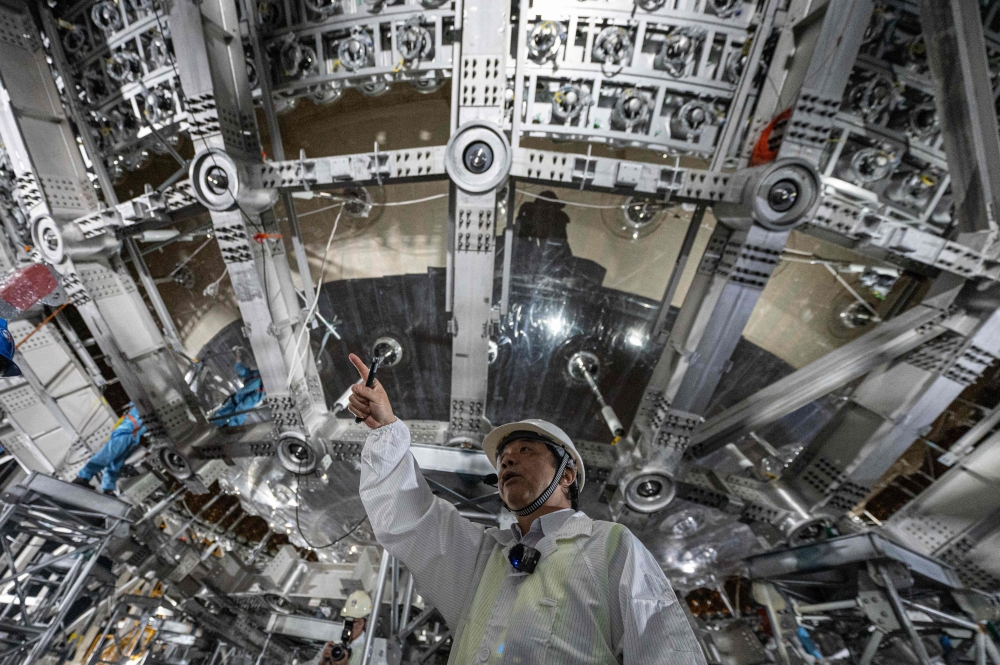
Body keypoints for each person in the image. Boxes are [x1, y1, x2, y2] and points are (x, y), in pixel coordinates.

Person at [345, 353, 706, 665]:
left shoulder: (610, 545)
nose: (507, 462)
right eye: (503, 459)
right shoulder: (484, 557)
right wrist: (386, 430)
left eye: (526, 451)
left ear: (566, 476)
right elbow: (412, 518)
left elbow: (667, 648)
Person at [73, 404, 146, 495]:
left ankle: (108, 488)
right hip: (126, 433)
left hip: (130, 436)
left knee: (114, 463)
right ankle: (82, 478)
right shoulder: (138, 410)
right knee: (106, 456)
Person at [315, 591, 374, 665]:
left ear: (366, 623)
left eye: (356, 622)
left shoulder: (368, 651)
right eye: (348, 621)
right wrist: (323, 662)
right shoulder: (334, 644)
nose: (351, 626)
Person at [210, 361, 265, 427]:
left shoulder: (259, 382)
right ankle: (216, 423)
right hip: (239, 398)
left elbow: (244, 407)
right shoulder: (256, 374)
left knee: (240, 410)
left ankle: (231, 427)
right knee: (231, 409)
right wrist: (238, 360)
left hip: (248, 398)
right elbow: (242, 371)